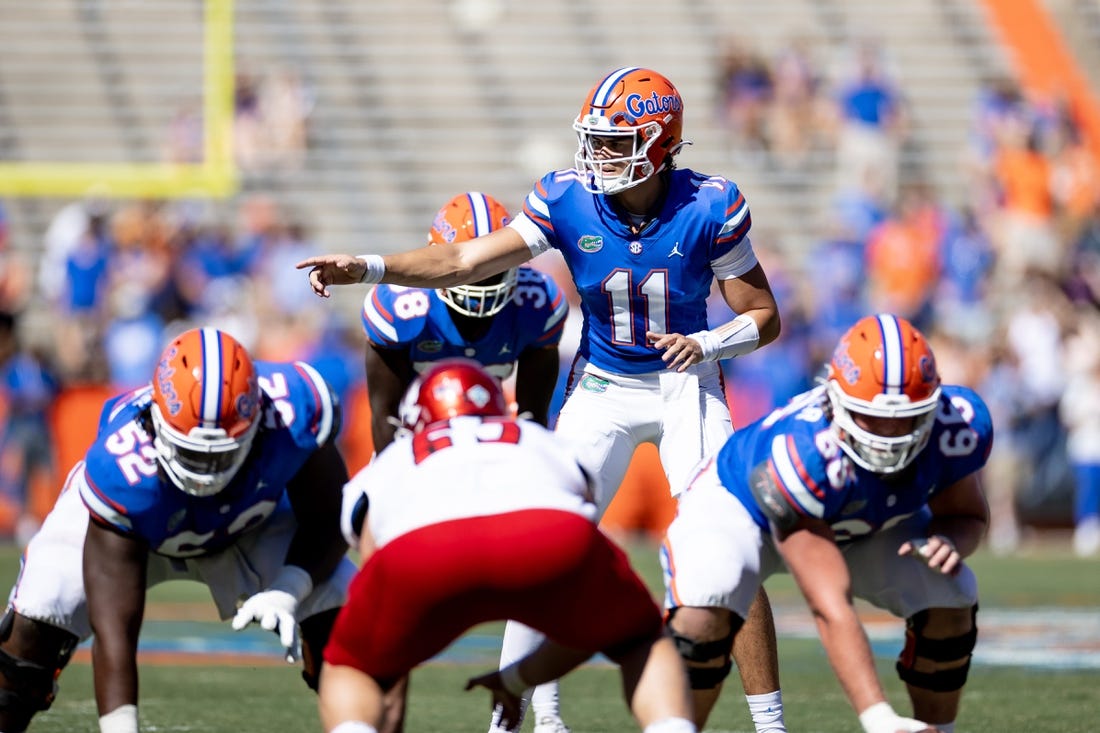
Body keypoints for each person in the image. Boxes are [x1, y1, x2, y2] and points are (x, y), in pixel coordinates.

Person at [298, 66, 787, 733]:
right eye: (596, 139)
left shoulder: (712, 205)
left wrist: (708, 345)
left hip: (685, 383)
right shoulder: (567, 197)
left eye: (616, 142)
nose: (598, 155)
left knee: (728, 537)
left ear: (659, 142)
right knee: (542, 522)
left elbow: (763, 316)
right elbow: (466, 261)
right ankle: (527, 718)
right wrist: (370, 267)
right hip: (602, 384)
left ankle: (771, 722)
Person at [0, 327, 356, 733]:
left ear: (257, 420)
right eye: (192, 454)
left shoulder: (295, 414)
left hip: (249, 521)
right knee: (31, 634)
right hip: (141, 521)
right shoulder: (122, 469)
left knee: (345, 619)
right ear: (155, 420)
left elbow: (331, 519)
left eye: (220, 455)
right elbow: (114, 630)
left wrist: (289, 588)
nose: (205, 474)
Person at [318, 358, 697, 733]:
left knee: (351, 666)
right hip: (549, 534)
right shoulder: (537, 440)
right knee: (641, 641)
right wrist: (520, 675)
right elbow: (581, 501)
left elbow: (363, 534)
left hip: (423, 549)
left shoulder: (396, 458)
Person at [661, 314, 992, 733]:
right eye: (871, 417)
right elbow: (828, 602)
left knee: (951, 591)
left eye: (907, 418)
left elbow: (967, 515)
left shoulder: (957, 425)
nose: (889, 434)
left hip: (856, 519)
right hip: (740, 509)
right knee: (702, 616)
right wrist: (877, 716)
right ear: (835, 399)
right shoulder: (805, 453)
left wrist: (948, 538)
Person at [360, 191, 567, 732]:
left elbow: (535, 418)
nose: (478, 288)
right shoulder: (399, 308)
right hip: (418, 440)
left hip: (496, 439)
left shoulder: (538, 302)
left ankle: (541, 706)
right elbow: (386, 425)